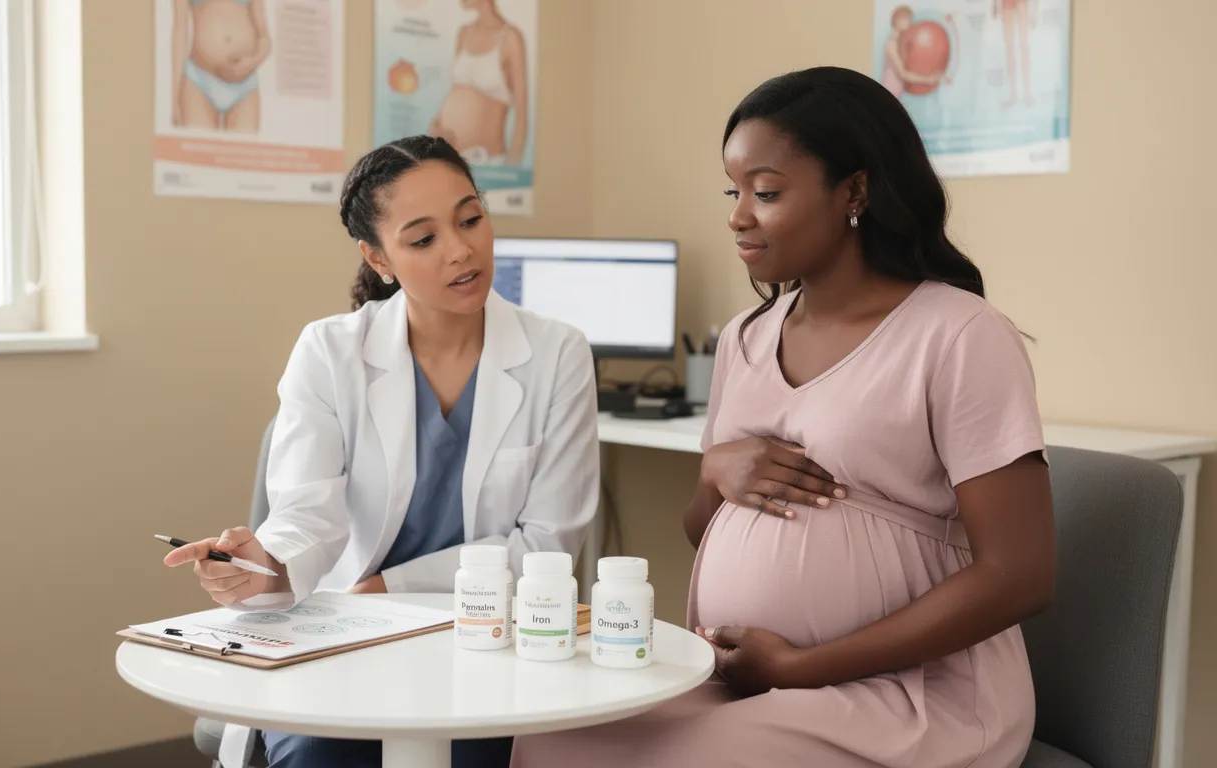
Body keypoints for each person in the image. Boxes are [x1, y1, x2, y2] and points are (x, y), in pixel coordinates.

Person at [512, 66, 1055, 768]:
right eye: (733, 191)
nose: (738, 214)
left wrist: (804, 664)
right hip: (748, 678)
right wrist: (715, 474)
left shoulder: (957, 334)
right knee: (552, 740)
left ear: (854, 191)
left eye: (765, 192)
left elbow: (1023, 574)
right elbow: (702, 528)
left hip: (913, 695)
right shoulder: (745, 337)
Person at [165, 135, 600, 767]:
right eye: (423, 239)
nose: (461, 250)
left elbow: (546, 548)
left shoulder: (558, 354)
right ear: (378, 257)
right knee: (319, 756)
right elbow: (305, 516)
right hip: (347, 638)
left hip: (487, 638)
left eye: (471, 218)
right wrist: (262, 562)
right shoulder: (329, 351)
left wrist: (388, 588)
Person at [429, 0, 530, 166]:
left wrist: (512, 170)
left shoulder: (510, 37)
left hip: (488, 162)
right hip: (451, 161)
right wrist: (436, 126)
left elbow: (521, 117)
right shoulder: (464, 33)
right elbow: (455, 92)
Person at [172, 0, 271, 132]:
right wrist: (175, 98)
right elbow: (180, 33)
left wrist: (250, 65)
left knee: (244, 151)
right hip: (198, 82)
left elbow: (265, 40)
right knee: (198, 149)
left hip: (245, 84)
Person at [881, 5, 944, 98]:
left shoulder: (900, 43)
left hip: (895, 94)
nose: (910, 24)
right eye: (908, 20)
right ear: (898, 20)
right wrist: (928, 80)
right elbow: (903, 74)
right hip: (889, 93)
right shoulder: (892, 44)